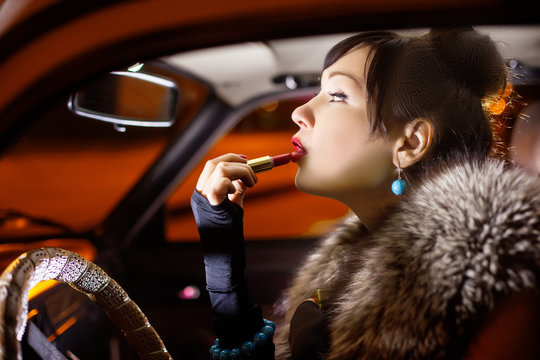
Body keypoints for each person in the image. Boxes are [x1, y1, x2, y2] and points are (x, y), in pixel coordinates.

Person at [191, 28, 540, 360]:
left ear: (409, 143)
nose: (300, 113)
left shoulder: (492, 293)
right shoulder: (360, 257)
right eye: (317, 91)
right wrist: (223, 259)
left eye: (337, 96)